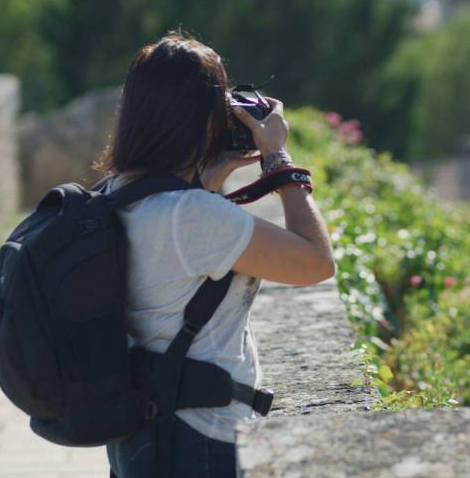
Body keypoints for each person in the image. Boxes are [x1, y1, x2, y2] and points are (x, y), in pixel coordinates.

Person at [96, 32, 335, 478]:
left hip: (143, 433)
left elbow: (171, 255)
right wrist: (278, 158)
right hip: (199, 440)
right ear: (203, 120)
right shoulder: (191, 216)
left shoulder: (117, 193)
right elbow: (316, 263)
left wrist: (208, 172)